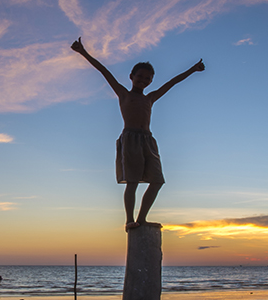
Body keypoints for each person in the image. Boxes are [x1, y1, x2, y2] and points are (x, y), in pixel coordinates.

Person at [71, 38, 204, 230]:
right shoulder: (124, 94)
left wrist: (193, 69)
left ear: (151, 81)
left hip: (148, 140)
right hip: (130, 139)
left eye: (147, 79)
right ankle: (129, 220)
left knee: (157, 181)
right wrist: (83, 52)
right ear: (131, 76)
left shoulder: (150, 98)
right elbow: (104, 71)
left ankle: (142, 219)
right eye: (140, 77)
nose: (143, 81)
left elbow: (172, 83)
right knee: (132, 182)